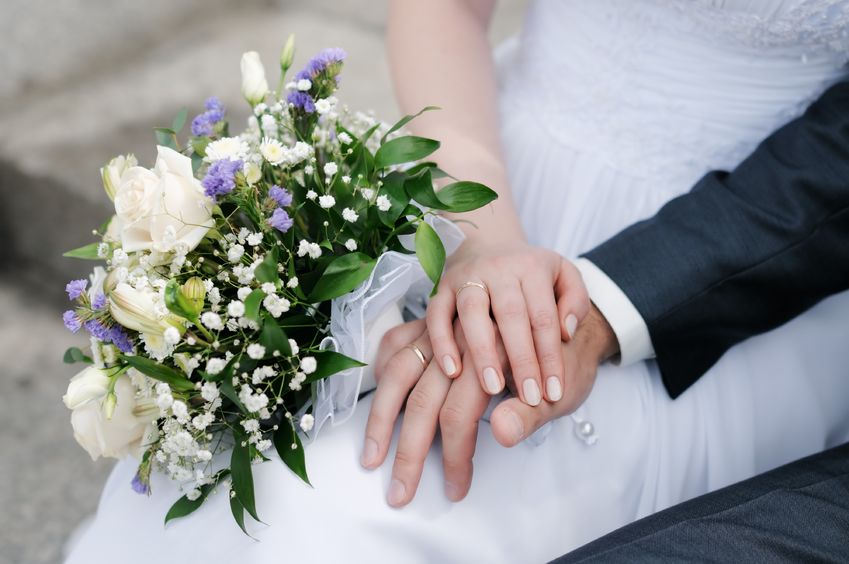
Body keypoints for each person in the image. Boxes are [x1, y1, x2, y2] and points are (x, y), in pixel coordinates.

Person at [65, 1, 849, 562]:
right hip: (483, 167)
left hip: (738, 264)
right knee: (252, 466)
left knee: (343, 510)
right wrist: (482, 234)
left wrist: (602, 308)